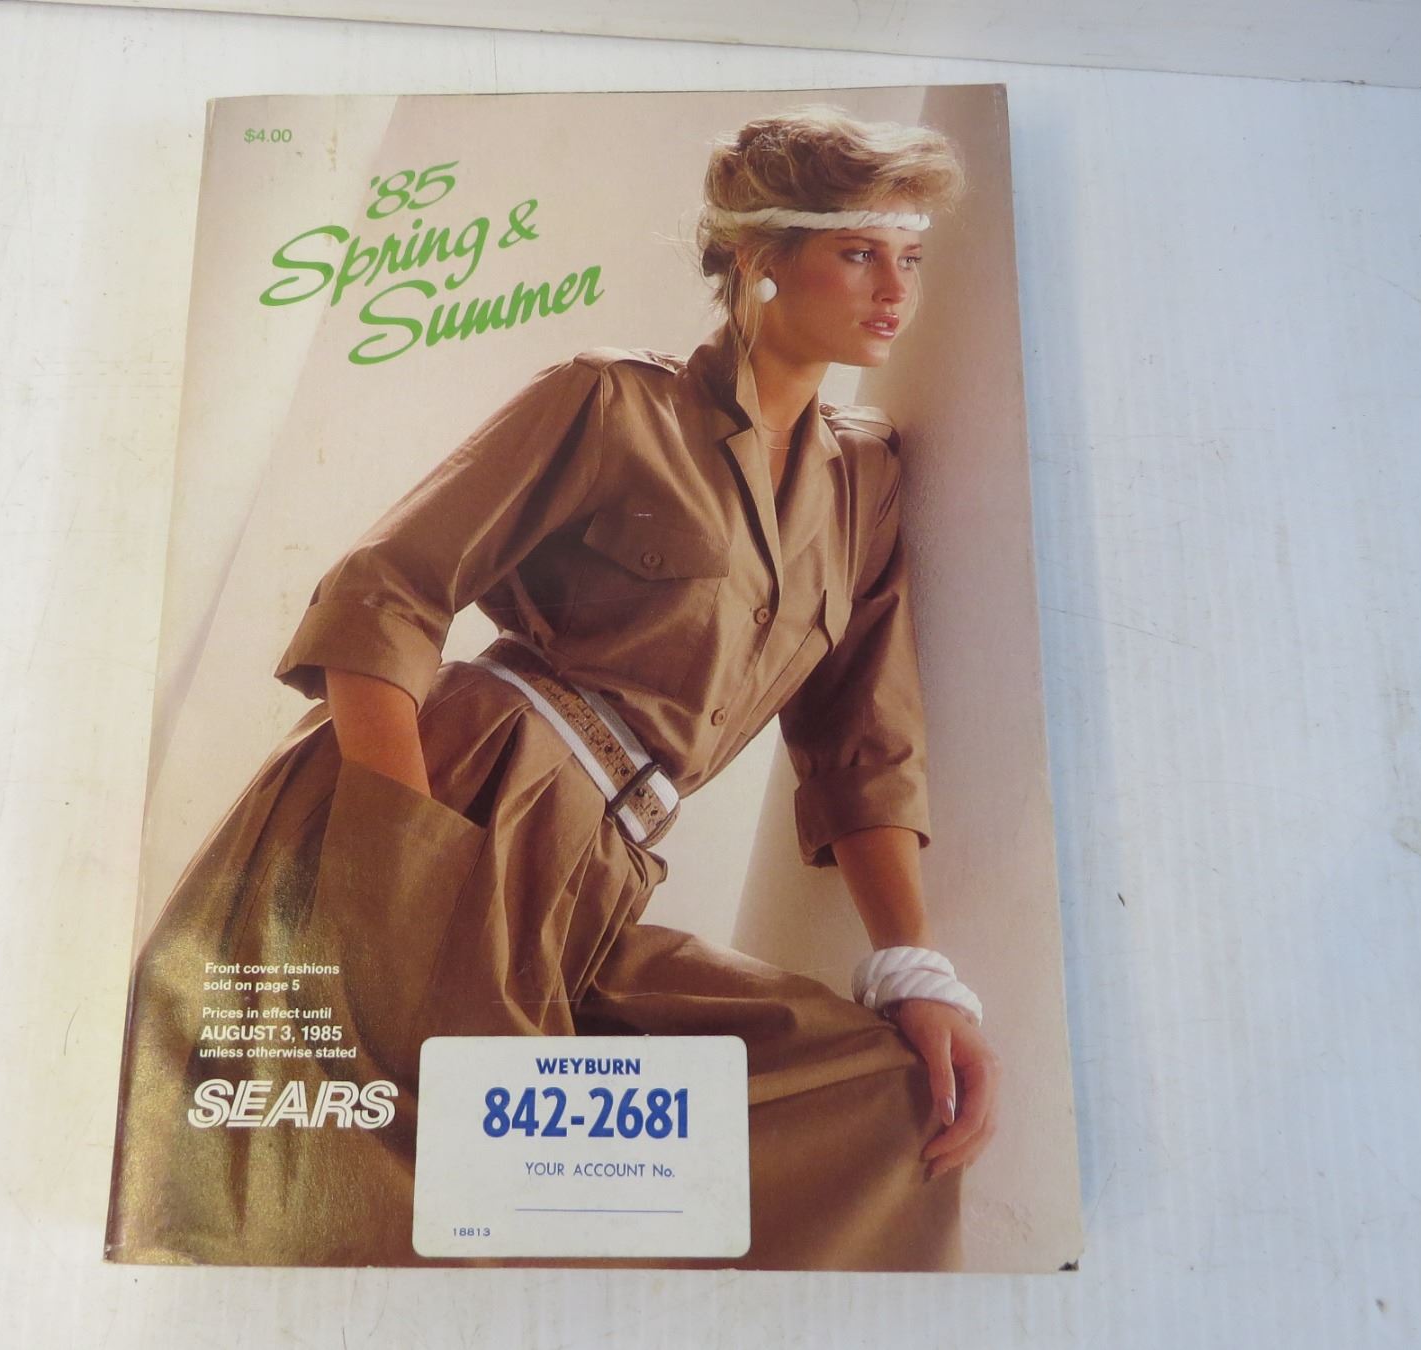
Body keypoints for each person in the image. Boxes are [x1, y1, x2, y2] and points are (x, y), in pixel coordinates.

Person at [107, 105, 1000, 1272]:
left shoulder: (863, 483)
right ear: (759, 258)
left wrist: (917, 970)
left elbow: (863, 742)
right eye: (859, 252)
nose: (895, 290)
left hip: (598, 877)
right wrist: (404, 853)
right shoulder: (610, 402)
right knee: (344, 1209)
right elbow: (386, 590)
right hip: (455, 794)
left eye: (912, 259)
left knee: (879, 1100)